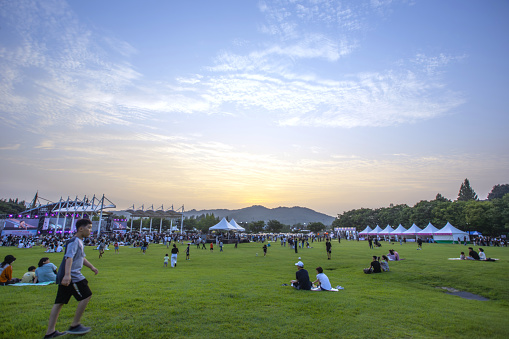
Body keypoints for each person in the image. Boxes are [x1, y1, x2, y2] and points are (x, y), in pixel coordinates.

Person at [44, 219, 98, 338]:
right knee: (87, 295)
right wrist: (68, 275)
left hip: (68, 276)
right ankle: (75, 325)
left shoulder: (78, 241)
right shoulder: (74, 241)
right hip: (72, 276)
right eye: (88, 227)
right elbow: (69, 258)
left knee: (59, 302)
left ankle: (50, 332)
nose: (90, 230)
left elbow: (81, 258)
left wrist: (92, 267)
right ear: (80, 229)